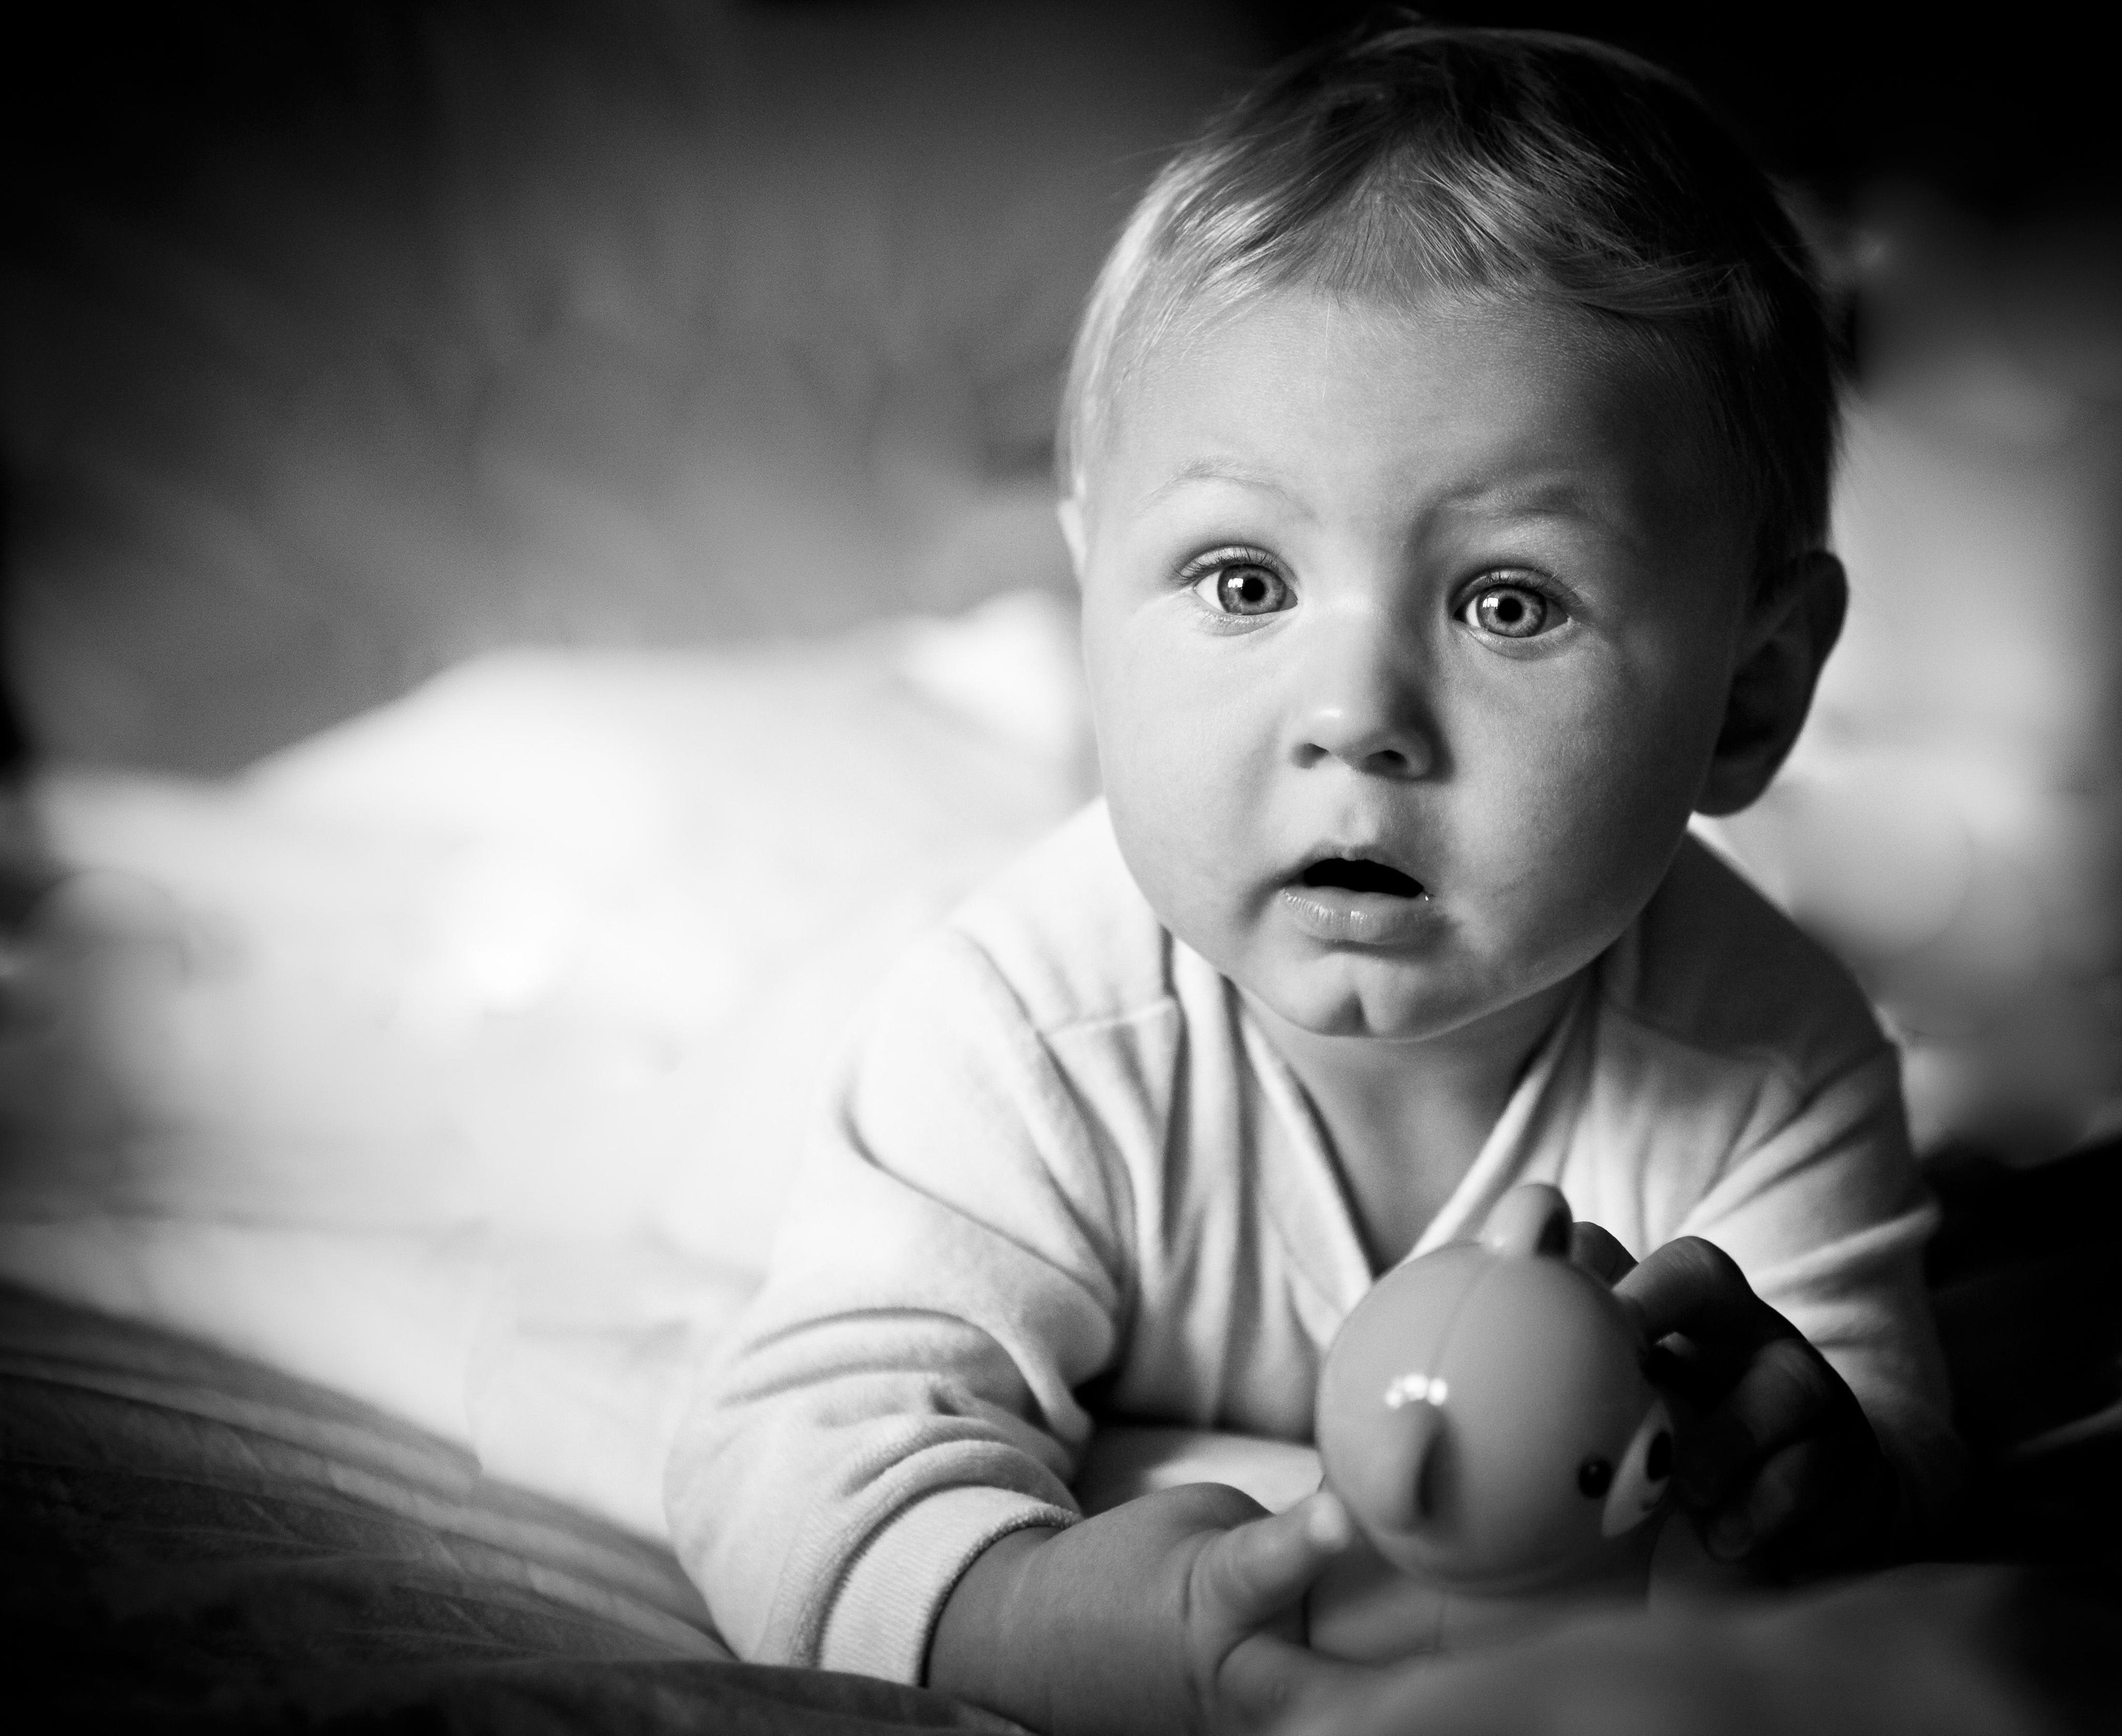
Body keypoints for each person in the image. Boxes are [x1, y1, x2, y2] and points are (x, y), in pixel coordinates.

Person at [666, 22, 1960, 1734]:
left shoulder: (1766, 1065)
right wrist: (1047, 1619)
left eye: (1506, 602)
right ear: (1088, 604)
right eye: (1238, 579)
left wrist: (1818, 1465)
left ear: (1750, 695)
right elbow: (799, 1459)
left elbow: (1894, 1472)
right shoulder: (1024, 1032)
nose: (1353, 717)